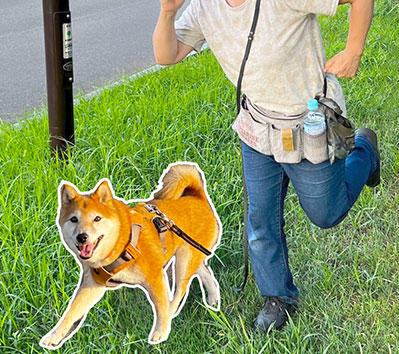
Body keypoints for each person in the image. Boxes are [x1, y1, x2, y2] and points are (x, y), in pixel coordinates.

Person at [152, 0, 378, 332]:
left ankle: (365, 149)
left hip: (308, 124)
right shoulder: (204, 7)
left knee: (326, 213)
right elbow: (166, 55)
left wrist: (353, 50)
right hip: (257, 127)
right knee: (260, 220)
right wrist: (168, 11)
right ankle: (278, 297)